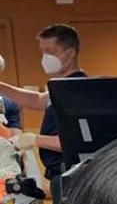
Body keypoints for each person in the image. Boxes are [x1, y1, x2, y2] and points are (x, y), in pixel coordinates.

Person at [0, 24, 86, 180]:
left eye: (50, 51)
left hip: (74, 173)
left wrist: (35, 139)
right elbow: (36, 100)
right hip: (60, 173)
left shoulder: (77, 89)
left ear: (71, 53)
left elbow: (77, 140)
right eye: (42, 51)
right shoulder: (60, 88)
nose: (45, 57)